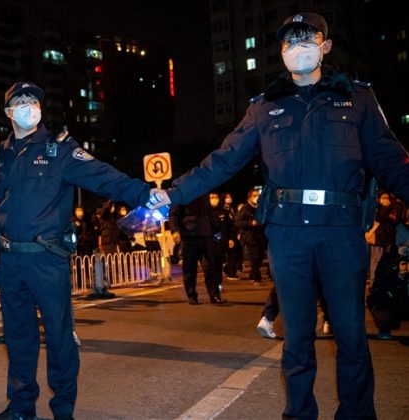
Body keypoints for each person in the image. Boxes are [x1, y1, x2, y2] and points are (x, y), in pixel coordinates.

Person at [150, 12, 409, 418]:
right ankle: (299, 413)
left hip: (341, 232)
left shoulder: (358, 99)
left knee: (352, 337)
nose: (298, 47)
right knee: (298, 341)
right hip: (289, 236)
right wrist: (172, 194)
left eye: (308, 38)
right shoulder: (264, 107)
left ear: (325, 46)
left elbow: (391, 161)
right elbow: (222, 161)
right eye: (290, 41)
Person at [0, 81, 165, 420]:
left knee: (59, 336)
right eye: (19, 101)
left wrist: (144, 193)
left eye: (32, 100)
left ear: (40, 108)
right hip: (12, 261)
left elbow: (104, 176)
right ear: (8, 112)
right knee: (18, 338)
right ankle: (21, 408)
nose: (26, 106)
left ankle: (63, 409)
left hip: (48, 260)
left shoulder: (60, 149)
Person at [169, 194, 226, 305]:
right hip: (189, 235)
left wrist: (217, 228)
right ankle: (192, 296)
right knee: (190, 268)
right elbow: (173, 215)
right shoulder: (182, 192)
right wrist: (174, 230)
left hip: (206, 234)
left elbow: (210, 213)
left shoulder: (204, 192)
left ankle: (214, 296)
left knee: (210, 267)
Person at [234, 188, 267, 284]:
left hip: (261, 237)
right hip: (250, 238)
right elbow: (237, 222)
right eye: (254, 195)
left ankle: (252, 274)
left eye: (258, 195)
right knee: (255, 257)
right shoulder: (245, 208)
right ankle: (257, 278)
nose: (257, 197)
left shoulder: (260, 208)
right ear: (249, 198)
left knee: (260, 258)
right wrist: (250, 223)